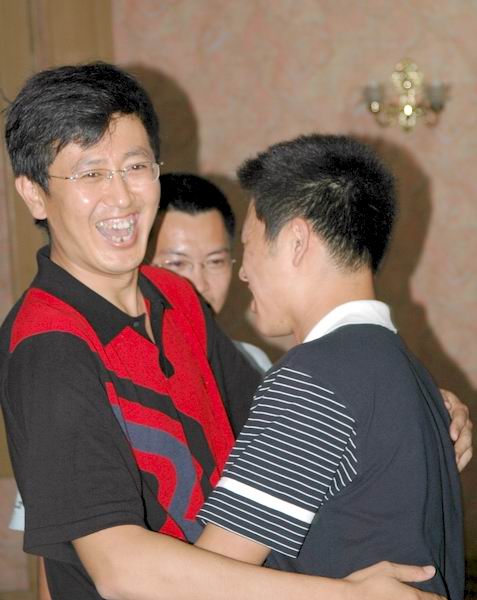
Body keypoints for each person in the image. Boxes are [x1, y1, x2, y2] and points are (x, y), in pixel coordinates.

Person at [0, 62, 469, 600]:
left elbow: (283, 423)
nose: (123, 197)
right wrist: (348, 596)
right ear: (34, 194)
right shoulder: (48, 346)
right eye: (90, 174)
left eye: (136, 166)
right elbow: (118, 569)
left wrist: (409, 407)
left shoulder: (174, 297)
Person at [196, 134, 465, 599]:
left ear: (297, 241)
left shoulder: (314, 377)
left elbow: (204, 581)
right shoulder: (412, 374)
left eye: (250, 246)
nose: (243, 272)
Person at [148, 172, 272, 373]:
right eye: (177, 263)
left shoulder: (252, 365)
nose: (200, 285)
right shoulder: (109, 364)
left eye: (215, 262)